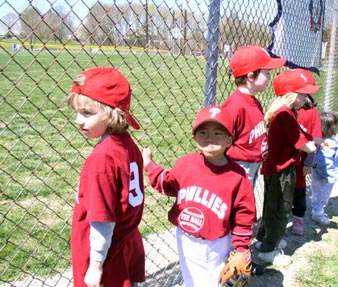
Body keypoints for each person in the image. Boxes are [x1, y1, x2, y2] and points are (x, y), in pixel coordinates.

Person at [142, 106, 256, 287]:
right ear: (194, 138)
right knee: (191, 280)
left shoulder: (238, 176)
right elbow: (166, 183)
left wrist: (242, 247)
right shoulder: (186, 164)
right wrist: (149, 164)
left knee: (213, 281)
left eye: (217, 133)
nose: (209, 137)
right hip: (186, 237)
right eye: (202, 132)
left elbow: (245, 215)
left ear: (229, 140)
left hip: (217, 242)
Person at [68, 67, 145, 287]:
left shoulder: (102, 160)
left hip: (104, 255)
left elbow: (102, 220)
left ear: (112, 113)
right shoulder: (128, 145)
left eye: (87, 113)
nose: (77, 120)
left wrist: (96, 265)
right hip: (126, 242)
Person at [255, 69, 321, 266]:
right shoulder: (285, 114)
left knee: (271, 205)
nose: (305, 97)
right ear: (291, 95)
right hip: (282, 170)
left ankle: (265, 238)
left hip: (275, 168)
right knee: (281, 208)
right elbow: (302, 143)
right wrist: (315, 145)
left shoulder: (287, 112)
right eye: (302, 93)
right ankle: (269, 249)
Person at [221, 45, 286, 188]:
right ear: (250, 76)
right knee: (239, 204)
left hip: (253, 164)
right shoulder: (234, 105)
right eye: (267, 73)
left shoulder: (254, 101)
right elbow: (222, 141)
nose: (270, 77)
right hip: (239, 167)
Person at [291, 94, 322, 236]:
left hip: (300, 160)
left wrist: (309, 162)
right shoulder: (285, 109)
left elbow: (315, 139)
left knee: (299, 189)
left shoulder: (311, 112)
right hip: (283, 159)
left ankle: (298, 217)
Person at [310, 111, 338, 225]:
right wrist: (330, 176)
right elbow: (324, 162)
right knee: (321, 195)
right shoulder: (328, 144)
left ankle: (318, 210)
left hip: (321, 174)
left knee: (318, 193)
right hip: (324, 176)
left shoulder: (322, 140)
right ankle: (318, 214)